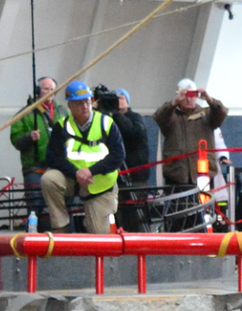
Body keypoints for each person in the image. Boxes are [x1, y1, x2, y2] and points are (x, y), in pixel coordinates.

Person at [42, 80, 124, 233]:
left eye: (87, 101)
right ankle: (61, 227)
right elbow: (52, 157)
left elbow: (118, 155)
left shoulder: (106, 123)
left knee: (99, 237)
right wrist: (76, 173)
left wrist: (91, 171)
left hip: (100, 185)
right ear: (70, 106)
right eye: (79, 103)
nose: (85, 106)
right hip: (73, 179)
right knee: (49, 179)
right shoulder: (62, 127)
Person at [152, 79, 226, 196]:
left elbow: (222, 113)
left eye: (192, 95)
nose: (189, 99)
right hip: (177, 175)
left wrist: (209, 99)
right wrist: (173, 103)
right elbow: (159, 117)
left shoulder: (207, 115)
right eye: (185, 96)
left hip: (203, 174)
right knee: (178, 207)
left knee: (203, 206)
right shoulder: (171, 116)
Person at [10, 75, 57, 227]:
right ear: (37, 91)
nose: (50, 92)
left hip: (58, 167)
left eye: (52, 89)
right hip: (35, 168)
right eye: (46, 89)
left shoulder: (62, 112)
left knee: (58, 206)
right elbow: (15, 140)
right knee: (35, 206)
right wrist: (28, 137)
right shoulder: (24, 114)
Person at [109, 88, 154, 232]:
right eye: (115, 98)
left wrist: (116, 114)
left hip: (136, 174)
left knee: (138, 211)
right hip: (116, 175)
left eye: (121, 98)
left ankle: (141, 238)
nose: (118, 101)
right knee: (120, 211)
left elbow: (133, 132)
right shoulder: (106, 120)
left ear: (127, 102)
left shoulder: (135, 118)